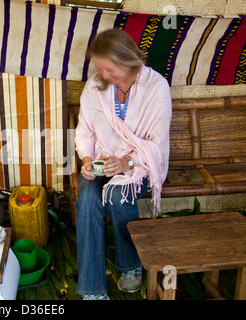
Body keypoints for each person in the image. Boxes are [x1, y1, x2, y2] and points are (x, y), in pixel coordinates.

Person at [75, 29, 172, 300]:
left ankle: (130, 266)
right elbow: (84, 132)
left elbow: (157, 144)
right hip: (102, 160)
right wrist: (86, 161)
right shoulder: (95, 86)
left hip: (140, 163)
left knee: (118, 195)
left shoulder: (156, 87)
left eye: (109, 69)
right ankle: (92, 290)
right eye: (100, 69)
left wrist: (126, 162)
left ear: (126, 60)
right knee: (88, 197)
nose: (103, 76)